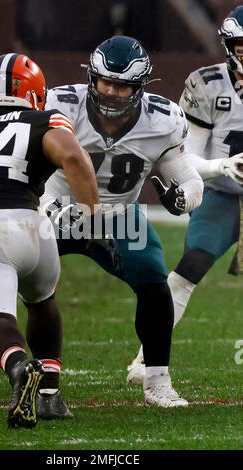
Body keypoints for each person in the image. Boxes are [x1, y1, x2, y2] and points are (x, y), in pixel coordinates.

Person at [0, 36, 203, 409]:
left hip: (117, 216)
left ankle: (157, 380)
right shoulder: (58, 103)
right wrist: (53, 207)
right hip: (52, 211)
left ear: (140, 86)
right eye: (105, 83)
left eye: (123, 85)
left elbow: (188, 176)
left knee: (155, 285)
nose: (112, 93)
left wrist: (184, 198)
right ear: (91, 78)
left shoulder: (162, 119)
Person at [0, 52, 103, 427]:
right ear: (35, 92)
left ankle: (19, 368)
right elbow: (73, 158)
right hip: (36, 228)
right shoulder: (44, 117)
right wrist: (92, 219)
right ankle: (50, 394)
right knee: (42, 300)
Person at [127, 6, 243, 385]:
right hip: (222, 193)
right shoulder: (208, 84)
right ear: (229, 46)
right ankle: (146, 358)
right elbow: (185, 152)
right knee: (191, 265)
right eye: (241, 45)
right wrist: (220, 167)